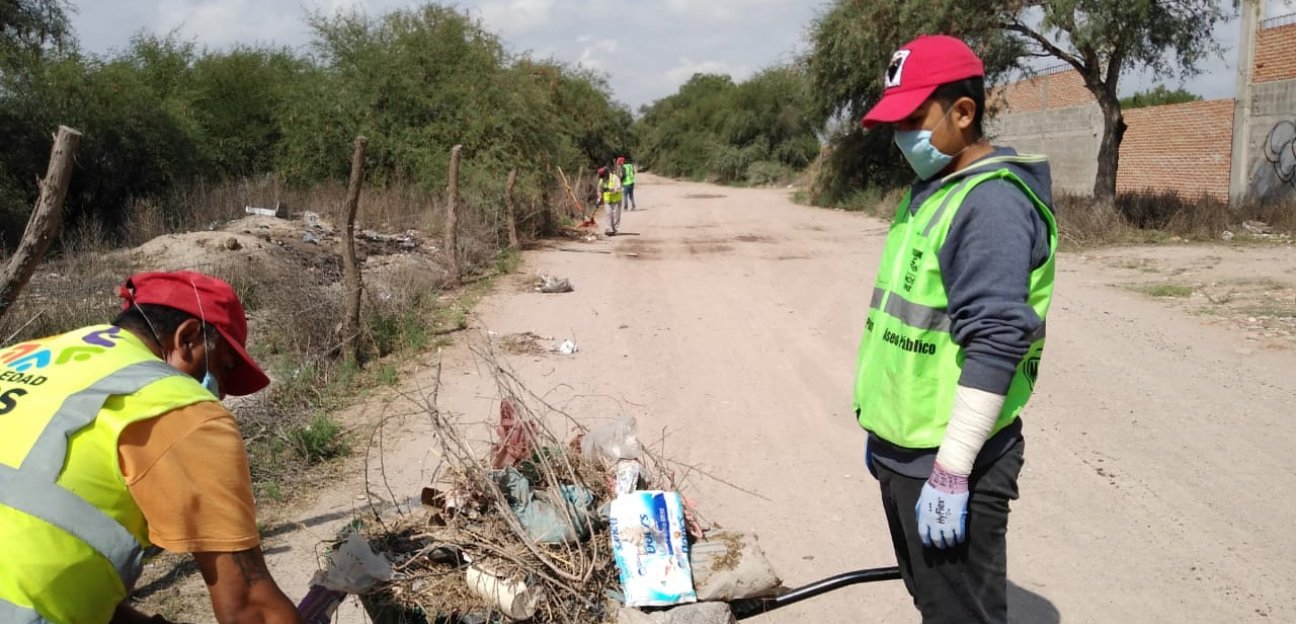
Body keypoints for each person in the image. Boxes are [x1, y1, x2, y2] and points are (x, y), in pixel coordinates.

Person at [852, 35, 1057, 624]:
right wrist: (886, 434)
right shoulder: (933, 192)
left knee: (962, 616)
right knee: (936, 604)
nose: (900, 138)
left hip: (950, 461)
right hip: (907, 451)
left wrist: (950, 469)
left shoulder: (990, 204)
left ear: (962, 113)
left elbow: (995, 340)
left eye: (912, 120)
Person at [0, 271, 301, 624]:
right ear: (187, 339)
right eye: (223, 369)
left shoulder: (24, 354)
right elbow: (251, 607)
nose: (220, 393)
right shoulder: (177, 402)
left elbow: (35, 563)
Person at [598, 165, 624, 236]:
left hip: (616, 200)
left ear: (607, 174)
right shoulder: (601, 180)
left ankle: (615, 229)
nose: (603, 178)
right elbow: (599, 190)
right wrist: (599, 198)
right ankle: (609, 229)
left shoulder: (614, 178)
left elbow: (619, 187)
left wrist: (611, 189)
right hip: (608, 201)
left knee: (616, 215)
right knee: (608, 215)